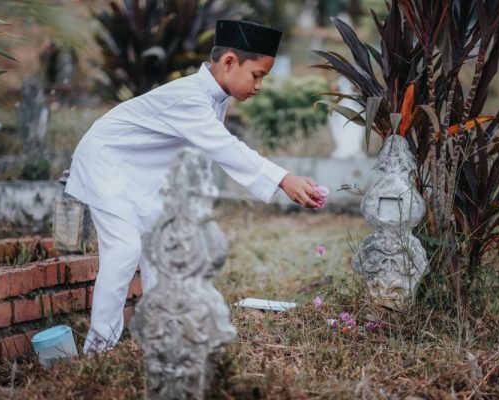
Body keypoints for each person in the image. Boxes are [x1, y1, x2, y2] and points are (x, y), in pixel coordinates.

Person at [65, 20, 322, 353]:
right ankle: (98, 349)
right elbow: (224, 147)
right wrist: (282, 178)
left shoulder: (216, 97)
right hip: (106, 162)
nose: (259, 85)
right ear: (229, 62)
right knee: (125, 250)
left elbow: (202, 155)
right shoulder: (190, 97)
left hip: (138, 173)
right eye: (257, 75)